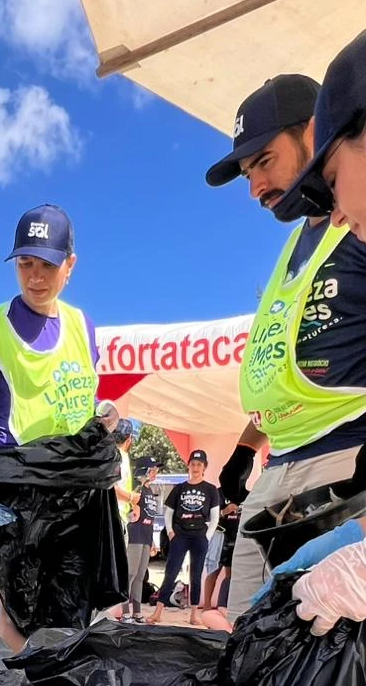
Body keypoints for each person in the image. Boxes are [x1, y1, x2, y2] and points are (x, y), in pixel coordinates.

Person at [206, 74, 366, 620]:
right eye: (247, 174)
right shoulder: (294, 249)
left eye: (264, 161)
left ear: (316, 132)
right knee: (244, 638)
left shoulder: (359, 225)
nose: (255, 188)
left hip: (342, 467)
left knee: (321, 663)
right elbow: (282, 369)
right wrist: (246, 450)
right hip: (277, 470)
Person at [0, 204, 128, 652]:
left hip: (76, 490)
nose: (35, 277)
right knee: (18, 607)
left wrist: (102, 416)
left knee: (73, 608)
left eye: (47, 264)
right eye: (25, 264)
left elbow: (82, 398)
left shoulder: (82, 325)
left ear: (70, 265)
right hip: (17, 492)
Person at [149, 450, 220, 626]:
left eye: (199, 464)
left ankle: (194, 614)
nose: (195, 467)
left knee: (196, 575)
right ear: (188, 466)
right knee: (171, 572)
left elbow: (215, 517)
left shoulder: (211, 490)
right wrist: (171, 532)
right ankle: (158, 612)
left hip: (199, 536)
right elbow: (169, 512)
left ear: (204, 467)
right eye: (193, 464)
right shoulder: (179, 488)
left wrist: (207, 536)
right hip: (180, 535)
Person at [123, 456, 160, 623]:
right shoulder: (136, 489)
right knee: (130, 573)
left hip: (146, 535)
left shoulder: (151, 491)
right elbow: (131, 513)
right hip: (135, 535)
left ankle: (137, 611)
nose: (155, 473)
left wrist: (152, 540)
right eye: (152, 470)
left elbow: (150, 517)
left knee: (140, 575)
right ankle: (125, 611)